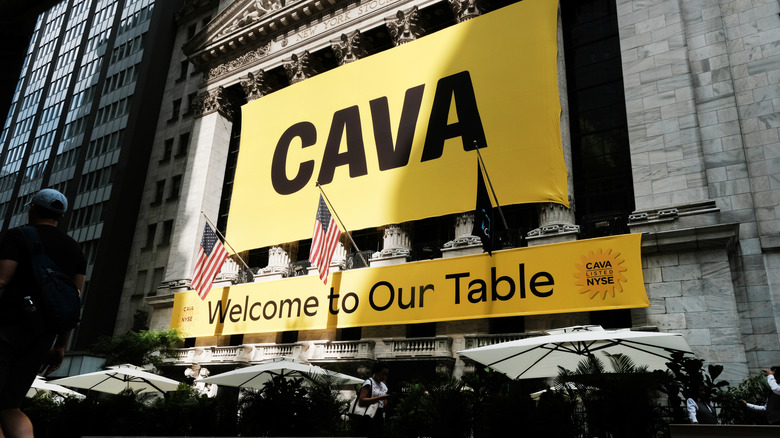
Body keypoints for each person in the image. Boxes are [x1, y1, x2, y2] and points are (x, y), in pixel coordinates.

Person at [0, 189, 86, 438]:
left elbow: (2, 282)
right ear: (60, 216)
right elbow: (73, 300)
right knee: (10, 406)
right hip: (42, 336)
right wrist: (61, 345)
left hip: (7, 326)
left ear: (32, 208)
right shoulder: (75, 250)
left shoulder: (18, 236)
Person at [358, 362, 390, 438]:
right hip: (369, 414)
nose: (384, 377)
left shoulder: (384, 386)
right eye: (383, 374)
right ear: (376, 371)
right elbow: (361, 400)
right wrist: (379, 398)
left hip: (379, 414)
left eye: (386, 374)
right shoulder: (369, 382)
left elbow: (384, 404)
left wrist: (385, 399)